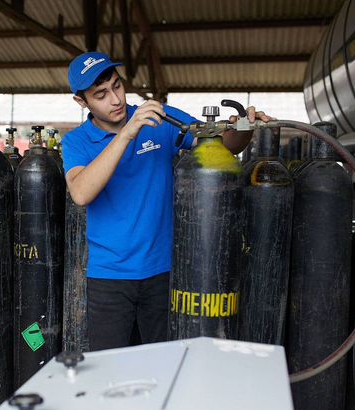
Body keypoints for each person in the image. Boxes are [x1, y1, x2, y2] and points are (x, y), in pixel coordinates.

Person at [62, 51, 271, 351]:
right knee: (109, 373)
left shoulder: (160, 120)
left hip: (163, 273)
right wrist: (127, 134)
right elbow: (81, 193)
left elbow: (221, 143)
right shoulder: (77, 142)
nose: (116, 99)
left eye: (117, 86)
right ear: (82, 102)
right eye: (101, 94)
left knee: (164, 366)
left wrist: (245, 130)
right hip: (109, 279)